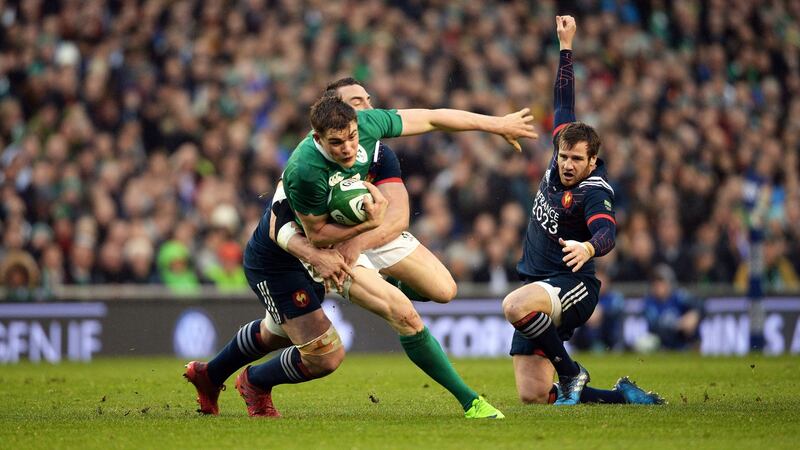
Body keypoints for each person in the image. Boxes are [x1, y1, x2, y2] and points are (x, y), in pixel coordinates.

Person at [184, 92, 537, 418]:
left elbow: (431, 118)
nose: (348, 147)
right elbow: (317, 236)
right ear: (318, 138)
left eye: (352, 136)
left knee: (275, 333)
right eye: (336, 142)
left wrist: (496, 123)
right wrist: (368, 224)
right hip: (284, 257)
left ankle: (212, 375)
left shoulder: (367, 126)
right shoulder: (304, 170)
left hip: (337, 246)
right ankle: (470, 401)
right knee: (329, 354)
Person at [501, 15, 663, 406]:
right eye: (563, 156)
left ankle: (572, 371)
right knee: (534, 395)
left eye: (576, 158)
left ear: (592, 161)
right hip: (539, 284)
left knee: (513, 305)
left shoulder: (594, 190)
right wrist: (566, 46)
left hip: (573, 286)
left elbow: (607, 232)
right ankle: (623, 398)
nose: (567, 164)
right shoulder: (562, 146)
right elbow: (563, 102)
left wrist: (589, 248)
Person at [642, 264, 701, 351]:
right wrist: (679, 324)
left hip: (683, 343)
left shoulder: (679, 297)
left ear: (669, 283)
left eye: (661, 281)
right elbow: (655, 327)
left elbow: (700, 305)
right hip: (661, 345)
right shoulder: (650, 302)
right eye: (655, 282)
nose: (658, 285)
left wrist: (694, 315)